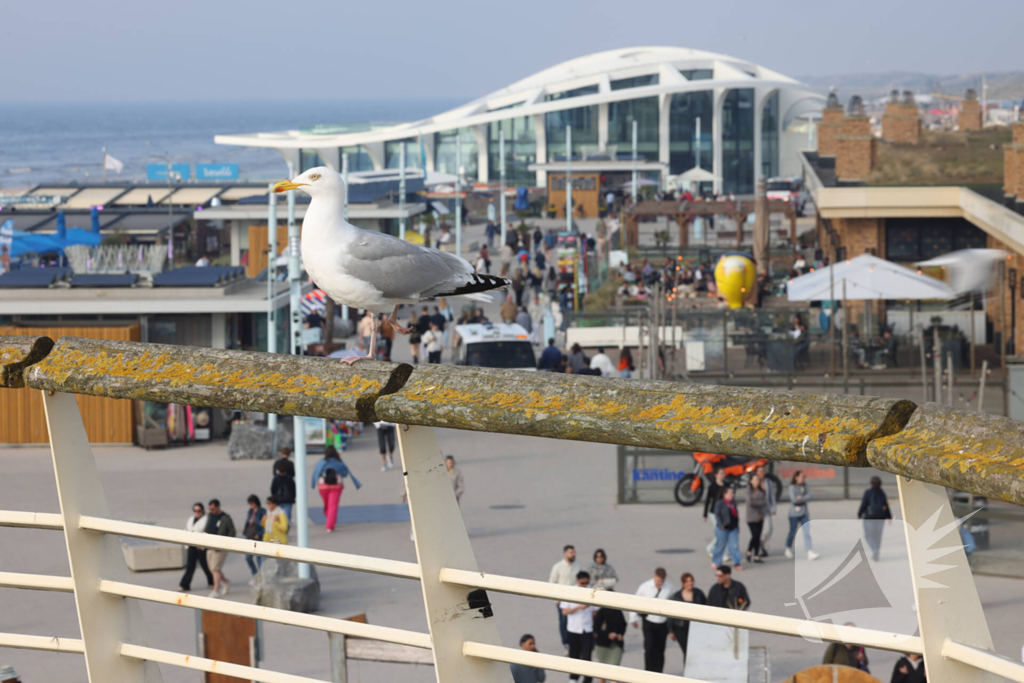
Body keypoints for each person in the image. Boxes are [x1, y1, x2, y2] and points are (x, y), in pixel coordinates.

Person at [628, 567, 675, 673]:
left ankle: (658, 673)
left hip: (663, 623)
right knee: (649, 648)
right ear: (654, 577)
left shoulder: (669, 588)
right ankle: (648, 673)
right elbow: (635, 601)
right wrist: (633, 619)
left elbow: (674, 602)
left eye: (662, 580)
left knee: (660, 650)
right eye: (658, 580)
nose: (660, 582)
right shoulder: (645, 587)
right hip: (649, 621)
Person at [559, 571, 598, 683]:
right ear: (577, 581)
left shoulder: (592, 591)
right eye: (582, 583)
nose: (585, 585)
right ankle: (573, 679)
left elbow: (595, 612)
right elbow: (564, 611)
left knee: (587, 657)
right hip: (574, 630)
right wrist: (578, 607)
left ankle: (587, 679)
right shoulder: (570, 591)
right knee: (574, 656)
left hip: (587, 630)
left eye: (586, 582)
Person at [311, 446, 359, 532]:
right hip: (336, 486)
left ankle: (330, 518)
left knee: (326, 504)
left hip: (323, 487)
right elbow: (344, 474)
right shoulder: (339, 462)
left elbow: (316, 473)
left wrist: (313, 484)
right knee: (333, 506)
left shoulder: (321, 462)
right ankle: (330, 524)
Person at [668, 572, 706, 667]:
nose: (690, 583)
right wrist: (670, 631)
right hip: (681, 628)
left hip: (696, 628)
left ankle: (695, 671)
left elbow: (706, 608)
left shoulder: (699, 594)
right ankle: (688, 672)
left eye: (691, 581)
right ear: (683, 583)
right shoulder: (677, 596)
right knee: (687, 650)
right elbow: (670, 615)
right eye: (687, 581)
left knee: (695, 651)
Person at [549, 545, 580, 652]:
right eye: (571, 552)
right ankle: (566, 643)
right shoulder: (558, 567)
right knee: (564, 621)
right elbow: (552, 583)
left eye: (574, 552)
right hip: (562, 599)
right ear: (565, 554)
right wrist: (555, 599)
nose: (573, 554)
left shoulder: (577, 565)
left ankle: (576, 642)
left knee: (575, 620)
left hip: (575, 598)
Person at [179, 502, 213, 592]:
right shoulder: (191, 519)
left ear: (202, 511)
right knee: (190, 566)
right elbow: (187, 532)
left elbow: (207, 533)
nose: (197, 512)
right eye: (195, 510)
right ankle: (185, 585)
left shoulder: (206, 519)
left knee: (205, 566)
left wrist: (202, 545)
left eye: (199, 511)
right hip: (191, 546)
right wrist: (186, 546)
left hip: (201, 547)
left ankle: (212, 582)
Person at [204, 499, 236, 598]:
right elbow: (207, 527)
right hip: (210, 545)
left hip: (220, 547)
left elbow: (232, 531)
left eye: (213, 509)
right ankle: (226, 582)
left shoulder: (225, 518)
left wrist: (225, 542)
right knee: (213, 569)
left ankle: (216, 590)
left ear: (218, 507)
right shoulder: (210, 516)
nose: (211, 511)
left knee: (215, 568)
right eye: (210, 509)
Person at [785, 471, 820, 560]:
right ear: (796, 477)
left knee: (806, 532)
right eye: (800, 477)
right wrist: (803, 498)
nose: (802, 478)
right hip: (794, 513)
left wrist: (801, 498)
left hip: (804, 513)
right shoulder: (792, 487)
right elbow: (794, 500)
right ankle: (788, 548)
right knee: (792, 532)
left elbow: (810, 496)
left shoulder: (805, 486)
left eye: (803, 477)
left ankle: (809, 551)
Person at [858, 476, 893, 561]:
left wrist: (859, 514)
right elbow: (886, 505)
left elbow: (864, 504)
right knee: (878, 535)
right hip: (881, 517)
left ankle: (875, 550)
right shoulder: (882, 493)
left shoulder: (868, 492)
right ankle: (876, 552)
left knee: (868, 535)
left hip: (870, 517)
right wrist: (889, 516)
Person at [592, 594, 626, 675]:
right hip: (602, 645)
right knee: (602, 672)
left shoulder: (618, 612)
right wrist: (607, 635)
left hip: (616, 645)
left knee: (614, 671)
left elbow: (623, 625)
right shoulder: (601, 612)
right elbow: (596, 628)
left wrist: (620, 634)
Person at [712, 487, 743, 571]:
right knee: (720, 545)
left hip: (733, 527)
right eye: (730, 493)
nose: (732, 494)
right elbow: (717, 514)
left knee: (734, 546)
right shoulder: (720, 503)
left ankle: (737, 562)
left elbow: (736, 515)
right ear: (724, 494)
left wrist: (737, 526)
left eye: (733, 493)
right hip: (723, 528)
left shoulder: (733, 503)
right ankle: (716, 562)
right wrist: (720, 525)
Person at [704, 467, 728, 557]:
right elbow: (707, 501)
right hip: (714, 513)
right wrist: (705, 514)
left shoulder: (726, 485)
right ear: (716, 475)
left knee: (723, 533)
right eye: (721, 473)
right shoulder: (712, 486)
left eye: (724, 473)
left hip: (725, 513)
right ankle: (722, 553)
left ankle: (711, 548)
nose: (723, 475)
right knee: (721, 533)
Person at [746, 474, 769, 564]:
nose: (756, 482)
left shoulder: (761, 490)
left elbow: (765, 501)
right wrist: (760, 502)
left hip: (760, 516)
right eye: (754, 480)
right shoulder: (748, 490)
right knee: (754, 535)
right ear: (751, 481)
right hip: (751, 517)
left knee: (758, 536)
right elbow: (750, 502)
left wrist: (759, 502)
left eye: (757, 480)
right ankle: (749, 551)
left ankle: (756, 555)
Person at [756, 464, 778, 556]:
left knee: (769, 529)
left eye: (763, 471)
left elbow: (772, 496)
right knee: (759, 531)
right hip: (757, 511)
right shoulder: (754, 482)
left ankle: (762, 546)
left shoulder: (768, 482)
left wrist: (773, 508)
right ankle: (760, 548)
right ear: (756, 473)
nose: (762, 473)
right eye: (760, 471)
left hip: (767, 509)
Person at [243, 494, 266, 575]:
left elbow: (264, 525)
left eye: (252, 503)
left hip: (258, 538)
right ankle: (255, 574)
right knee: (248, 558)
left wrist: (259, 534)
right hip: (250, 537)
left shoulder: (262, 511)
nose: (251, 505)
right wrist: (245, 532)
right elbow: (248, 523)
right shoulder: (250, 511)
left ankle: (260, 576)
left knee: (259, 559)